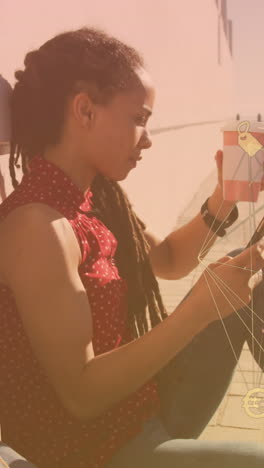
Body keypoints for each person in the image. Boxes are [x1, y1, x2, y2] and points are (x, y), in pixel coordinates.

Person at [0, 26, 264, 468]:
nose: (147, 137)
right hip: (96, 449)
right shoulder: (37, 226)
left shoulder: (94, 196)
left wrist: (226, 196)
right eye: (139, 118)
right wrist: (198, 308)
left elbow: (167, 261)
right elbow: (82, 396)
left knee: (247, 297)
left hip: (141, 405)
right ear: (84, 110)